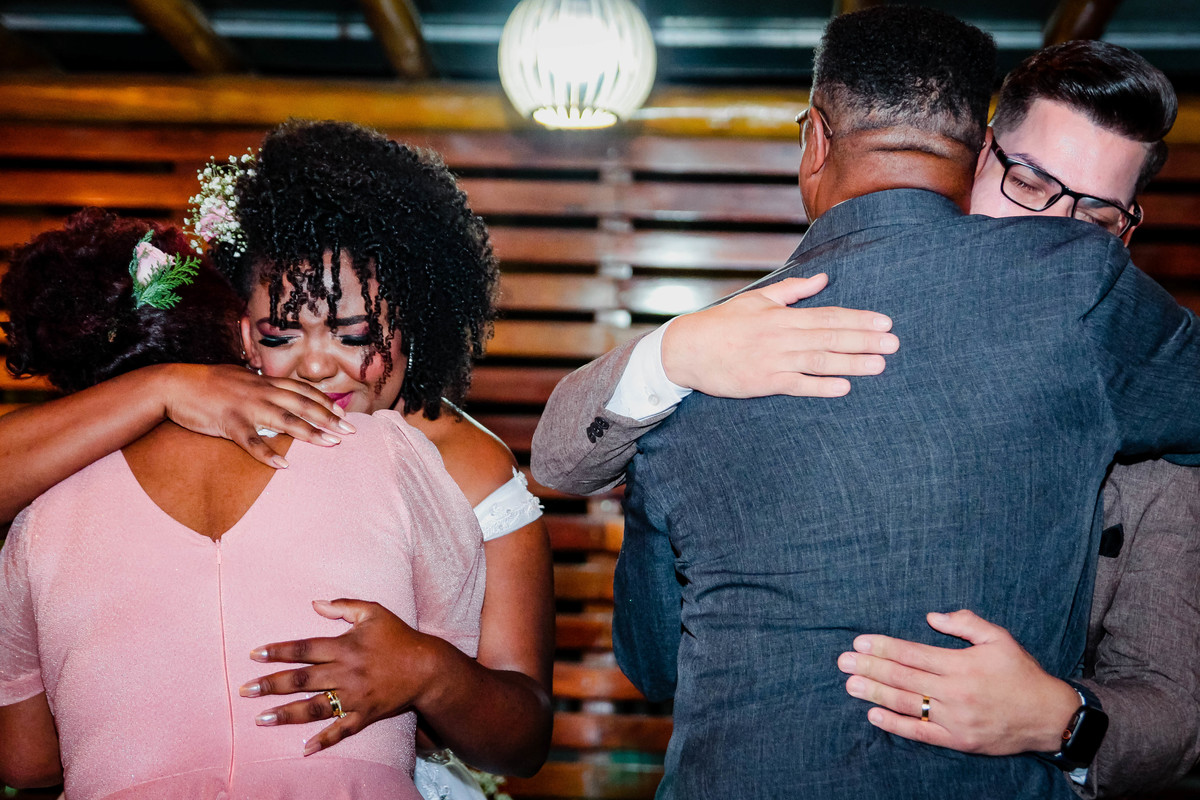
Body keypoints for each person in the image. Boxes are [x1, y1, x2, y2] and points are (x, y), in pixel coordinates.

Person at [536, 6, 1200, 797]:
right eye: (1030, 185)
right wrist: (669, 356)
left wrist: (1063, 719)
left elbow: (1174, 715)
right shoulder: (713, 357)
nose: (1052, 234)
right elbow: (650, 642)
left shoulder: (1150, 417)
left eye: (1094, 217)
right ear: (976, 152)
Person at [0, 119, 553, 794]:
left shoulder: (466, 465)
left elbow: (523, 737)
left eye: (354, 334)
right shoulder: (199, 427)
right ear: (243, 334)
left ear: (415, 319)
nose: (316, 366)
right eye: (281, 335)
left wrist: (428, 673)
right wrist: (163, 386)